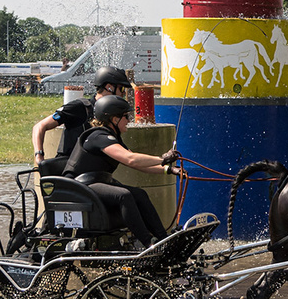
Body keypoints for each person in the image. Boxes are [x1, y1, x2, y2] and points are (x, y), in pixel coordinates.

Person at [63, 95, 182, 248]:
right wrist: (163, 158)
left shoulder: (113, 138)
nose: (129, 120)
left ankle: (163, 240)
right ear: (114, 119)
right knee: (123, 196)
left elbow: (138, 164)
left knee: (139, 194)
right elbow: (130, 159)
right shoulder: (98, 136)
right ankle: (148, 243)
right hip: (81, 187)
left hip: (97, 183)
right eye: (126, 116)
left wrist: (169, 169)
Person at [31, 66, 133, 177]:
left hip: (92, 175)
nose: (123, 94)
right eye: (122, 89)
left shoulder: (111, 115)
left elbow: (127, 154)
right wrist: (39, 155)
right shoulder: (80, 108)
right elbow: (39, 127)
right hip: (69, 173)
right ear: (109, 87)